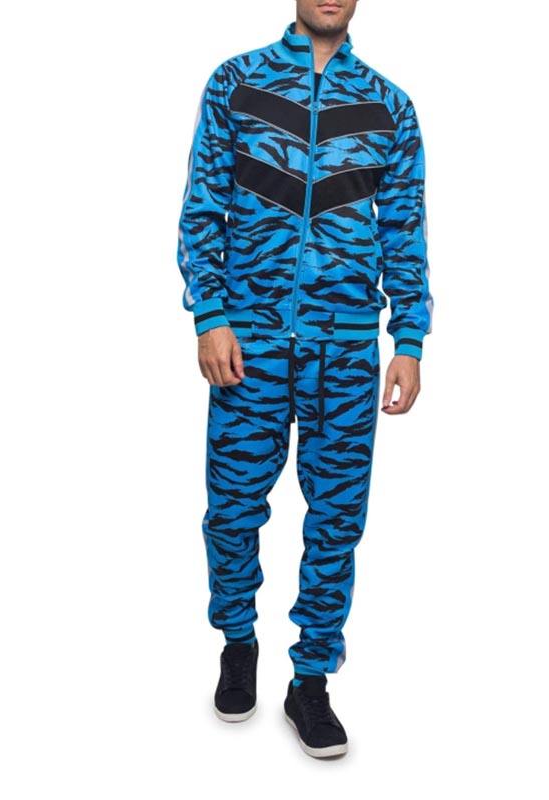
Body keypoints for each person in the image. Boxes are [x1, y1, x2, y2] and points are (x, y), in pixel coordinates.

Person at [176, 0, 432, 758]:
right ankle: (238, 643)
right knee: (232, 509)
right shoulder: (237, 83)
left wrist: (408, 337)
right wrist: (210, 315)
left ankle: (311, 680)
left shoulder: (389, 105)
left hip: (345, 353)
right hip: (248, 345)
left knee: (337, 521)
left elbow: (405, 227)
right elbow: (203, 207)